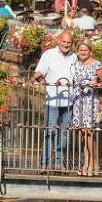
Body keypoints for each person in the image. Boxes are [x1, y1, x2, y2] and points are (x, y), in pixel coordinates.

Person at [34, 29, 75, 169]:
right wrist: (41, 79)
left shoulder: (74, 56)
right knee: (50, 131)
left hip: (69, 101)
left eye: (69, 42)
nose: (66, 44)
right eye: (64, 41)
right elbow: (37, 72)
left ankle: (59, 163)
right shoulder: (49, 54)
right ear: (58, 40)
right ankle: (44, 164)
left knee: (64, 134)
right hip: (52, 99)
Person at [68, 37, 102, 175]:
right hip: (78, 101)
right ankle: (90, 164)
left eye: (86, 50)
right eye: (81, 50)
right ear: (77, 51)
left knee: (89, 133)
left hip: (91, 101)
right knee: (82, 134)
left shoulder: (96, 64)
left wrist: (96, 84)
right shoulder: (75, 64)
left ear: (90, 51)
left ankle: (91, 164)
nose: (83, 52)